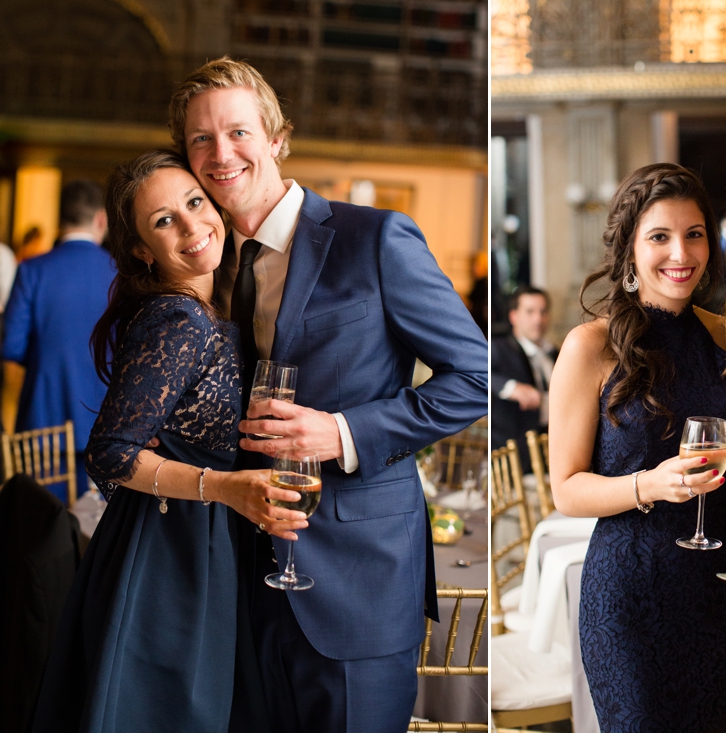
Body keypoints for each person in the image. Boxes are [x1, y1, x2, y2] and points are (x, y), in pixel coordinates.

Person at [169, 57, 488, 733]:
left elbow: (474, 376)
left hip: (360, 586)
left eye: (238, 132)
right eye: (201, 139)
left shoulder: (375, 239)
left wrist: (342, 433)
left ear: (277, 137)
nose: (221, 153)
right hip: (244, 580)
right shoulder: (212, 262)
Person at [31, 150, 308, 733]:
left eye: (194, 203)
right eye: (163, 221)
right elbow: (109, 451)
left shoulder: (213, 308)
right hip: (169, 551)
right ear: (139, 248)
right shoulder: (178, 319)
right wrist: (227, 487)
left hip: (197, 537)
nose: (190, 226)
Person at [549, 163, 726, 732]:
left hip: (723, 590)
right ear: (631, 251)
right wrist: (651, 484)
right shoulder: (590, 346)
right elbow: (566, 490)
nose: (680, 253)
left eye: (693, 234)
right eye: (659, 237)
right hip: (631, 597)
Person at [2, 181, 115, 502]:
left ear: (59, 220)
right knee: (97, 530)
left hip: (43, 420)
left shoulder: (32, 271)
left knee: (45, 528)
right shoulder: (119, 274)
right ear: (101, 220)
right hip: (104, 421)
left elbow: (11, 345)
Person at [491, 285, 557, 469]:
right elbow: (478, 373)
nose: (538, 319)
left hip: (550, 450)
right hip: (513, 455)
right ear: (513, 316)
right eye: (530, 312)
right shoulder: (498, 349)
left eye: (543, 312)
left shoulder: (555, 353)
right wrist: (510, 387)